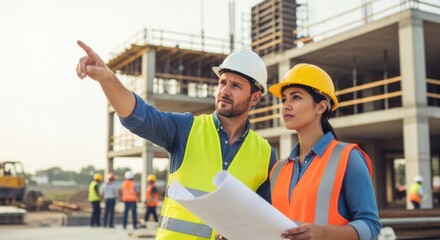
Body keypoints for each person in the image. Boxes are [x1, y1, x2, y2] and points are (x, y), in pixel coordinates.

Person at [76, 40, 277, 239]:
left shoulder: (265, 154)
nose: (224, 90)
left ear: (255, 98)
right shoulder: (186, 129)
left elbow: (264, 224)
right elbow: (139, 116)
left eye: (235, 86)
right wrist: (107, 78)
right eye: (222, 82)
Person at [268, 63, 381, 240]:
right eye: (283, 99)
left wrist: (325, 234)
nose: (286, 106)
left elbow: (371, 226)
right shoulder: (278, 170)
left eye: (296, 97)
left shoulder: (348, 158)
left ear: (320, 107)